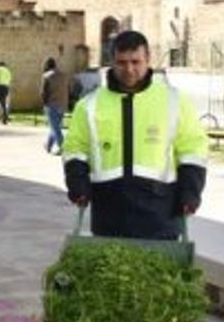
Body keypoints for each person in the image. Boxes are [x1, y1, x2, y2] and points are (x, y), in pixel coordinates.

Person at [63, 30, 209, 240]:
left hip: (160, 212)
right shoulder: (89, 105)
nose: (129, 69)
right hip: (109, 212)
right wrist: (77, 184)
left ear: (148, 60)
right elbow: (75, 148)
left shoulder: (174, 101)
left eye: (136, 61)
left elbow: (193, 148)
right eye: (121, 62)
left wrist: (190, 192)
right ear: (111, 62)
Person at [40, 58, 71, 155]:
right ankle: (48, 145)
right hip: (63, 104)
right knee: (54, 126)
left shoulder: (46, 76)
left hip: (52, 104)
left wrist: (44, 104)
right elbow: (68, 89)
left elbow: (43, 92)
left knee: (55, 128)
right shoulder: (64, 75)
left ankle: (63, 147)